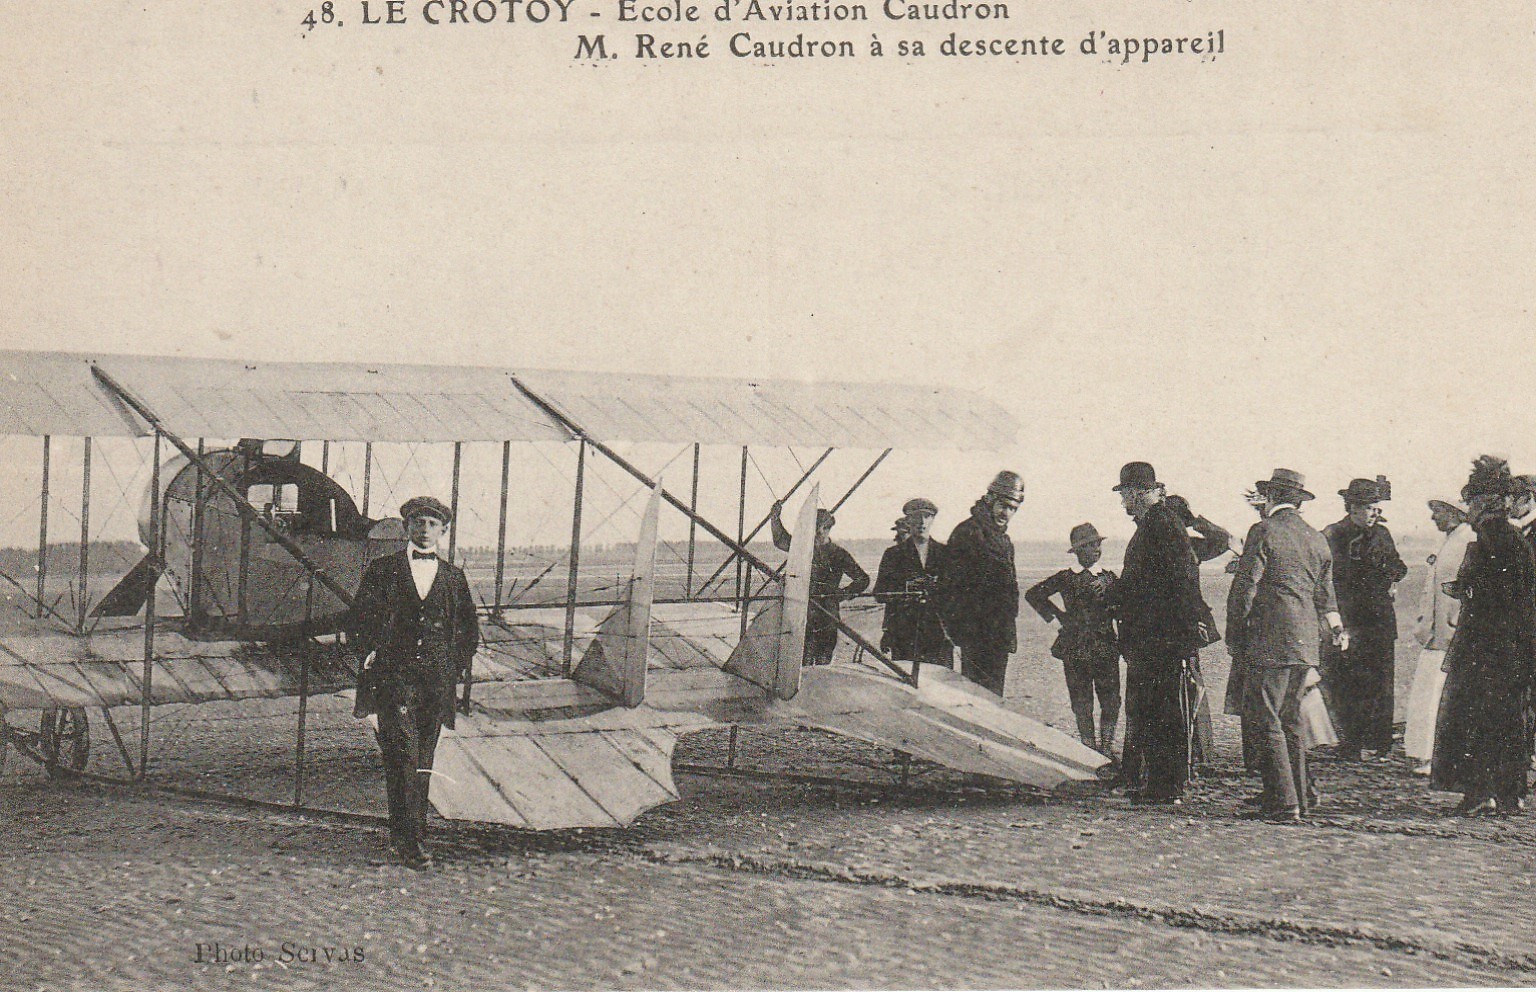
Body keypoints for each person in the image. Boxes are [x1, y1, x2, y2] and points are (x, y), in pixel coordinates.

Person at [348, 496, 480, 869]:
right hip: (394, 678)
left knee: (422, 759)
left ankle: (405, 833)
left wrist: (452, 667)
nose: (424, 530)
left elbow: (469, 632)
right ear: (406, 527)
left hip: (434, 683)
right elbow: (359, 620)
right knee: (403, 753)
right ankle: (412, 842)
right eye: (417, 523)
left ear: (443, 531)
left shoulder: (454, 577)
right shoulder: (383, 570)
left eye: (431, 525)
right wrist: (370, 652)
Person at [1224, 469, 1344, 823]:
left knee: (1265, 718)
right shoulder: (1316, 538)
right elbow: (1327, 596)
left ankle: (1283, 802)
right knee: (1290, 718)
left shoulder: (1262, 531)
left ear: (1270, 498)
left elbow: (1246, 588)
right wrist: (1334, 630)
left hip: (1270, 638)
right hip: (1306, 641)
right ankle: (1300, 796)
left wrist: (1235, 635)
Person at [1432, 456, 1536, 816]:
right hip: (1510, 646)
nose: (1470, 509)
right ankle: (1507, 794)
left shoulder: (1495, 538)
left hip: (1489, 646)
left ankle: (1480, 793)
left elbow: (1497, 594)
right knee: (1505, 719)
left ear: (1487, 502)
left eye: (1474, 501)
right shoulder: (1511, 538)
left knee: (1479, 717)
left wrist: (1465, 589)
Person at [1109, 462, 1207, 804]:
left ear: (1136, 493)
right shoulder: (1158, 522)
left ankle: (1165, 787)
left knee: (1160, 711)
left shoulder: (1160, 524)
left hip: (1158, 639)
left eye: (1124, 495)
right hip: (1156, 638)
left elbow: (1179, 582)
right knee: (1154, 710)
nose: (1123, 502)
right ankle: (1160, 784)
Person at [1321, 477, 1408, 761]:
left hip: (1380, 621)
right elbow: (1330, 577)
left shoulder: (1383, 534)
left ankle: (1381, 743)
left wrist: (1390, 577)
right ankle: (1351, 744)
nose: (1375, 513)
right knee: (1347, 683)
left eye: (1377, 508)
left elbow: (1399, 566)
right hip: (1349, 621)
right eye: (1370, 508)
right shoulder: (1333, 534)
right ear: (1353, 507)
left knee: (1381, 683)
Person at [1024, 523, 1121, 756]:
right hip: (1075, 647)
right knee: (1081, 699)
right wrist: (1059, 620)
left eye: (1098, 544)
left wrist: (1113, 597)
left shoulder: (1109, 577)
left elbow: (1123, 606)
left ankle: (1107, 747)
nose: (1096, 549)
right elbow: (1033, 595)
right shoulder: (1066, 578)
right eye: (1089, 545)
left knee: (1111, 699)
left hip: (1106, 646)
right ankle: (1088, 747)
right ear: (1077, 551)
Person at [937, 471, 1025, 696]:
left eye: (1013, 508)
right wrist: (960, 630)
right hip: (976, 634)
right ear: (989, 499)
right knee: (977, 697)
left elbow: (1009, 589)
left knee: (994, 697)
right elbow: (949, 587)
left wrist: (1007, 632)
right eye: (1003, 505)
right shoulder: (967, 533)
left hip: (998, 633)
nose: (1006, 513)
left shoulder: (1003, 540)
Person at [1403, 499, 1473, 773]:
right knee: (1430, 691)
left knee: (1438, 692)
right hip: (1437, 632)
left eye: (1438, 512)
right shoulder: (1451, 541)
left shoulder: (1466, 540)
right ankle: (1426, 753)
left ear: (1455, 513)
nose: (1434, 518)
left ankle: (1436, 756)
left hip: (1450, 632)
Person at [1164, 493, 1229, 768]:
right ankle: (1192, 751)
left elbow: (1222, 540)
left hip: (1183, 625)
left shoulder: (1190, 545)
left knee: (1191, 682)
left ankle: (1199, 750)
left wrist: (1195, 521)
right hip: (1171, 624)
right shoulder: (1171, 545)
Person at [770, 502, 869, 665]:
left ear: (829, 528)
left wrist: (844, 594)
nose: (817, 532)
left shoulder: (839, 554)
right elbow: (780, 540)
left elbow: (863, 579)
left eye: (822, 528)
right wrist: (775, 519)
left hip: (827, 613)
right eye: (814, 527)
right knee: (802, 661)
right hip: (803, 613)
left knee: (824, 660)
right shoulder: (802, 548)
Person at [873, 498, 954, 668]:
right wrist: (907, 588)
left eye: (927, 516)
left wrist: (937, 588)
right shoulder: (893, 555)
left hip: (938, 635)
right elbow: (879, 593)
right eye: (917, 517)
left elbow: (956, 592)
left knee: (938, 687)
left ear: (933, 520)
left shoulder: (946, 553)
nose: (922, 522)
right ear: (908, 521)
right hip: (904, 635)